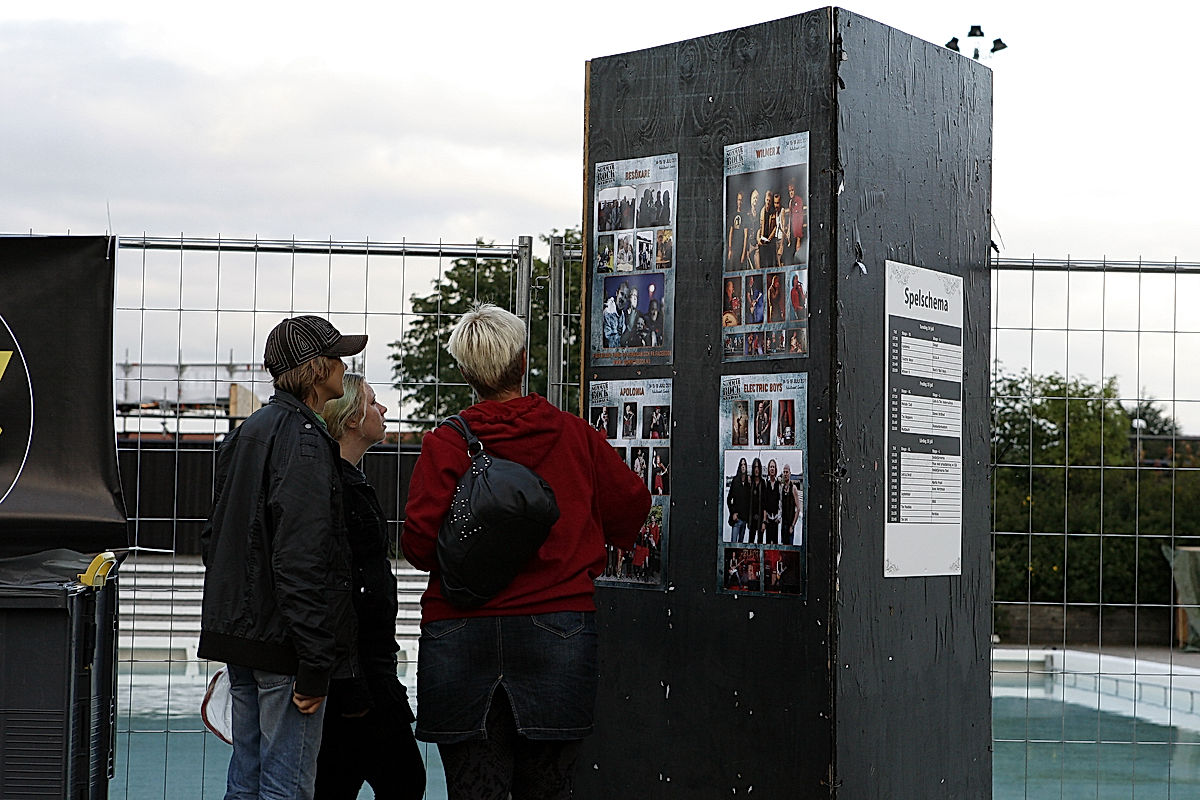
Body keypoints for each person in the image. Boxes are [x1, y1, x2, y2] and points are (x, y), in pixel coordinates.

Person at [401, 303, 651, 800]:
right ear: (521, 362)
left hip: (459, 631)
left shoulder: (446, 444)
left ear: (468, 373)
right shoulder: (574, 435)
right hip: (559, 628)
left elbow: (419, 546)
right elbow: (633, 506)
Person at [199, 315, 367, 800]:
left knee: (246, 779)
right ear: (315, 369)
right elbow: (302, 558)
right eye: (336, 356)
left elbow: (214, 540)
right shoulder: (306, 442)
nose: (343, 364)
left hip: (241, 637)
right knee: (285, 787)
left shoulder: (250, 430)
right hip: (284, 644)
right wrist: (317, 662)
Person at [316, 375, 426, 800]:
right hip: (360, 670)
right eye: (375, 404)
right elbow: (340, 588)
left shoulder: (347, 482)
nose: (384, 411)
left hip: (364, 666)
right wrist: (353, 682)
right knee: (403, 780)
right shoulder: (339, 488)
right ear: (350, 420)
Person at [726, 457, 751, 543]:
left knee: (740, 545)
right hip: (736, 519)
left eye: (744, 464)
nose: (743, 466)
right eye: (741, 465)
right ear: (739, 467)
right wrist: (732, 513)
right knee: (733, 543)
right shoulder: (735, 481)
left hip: (744, 520)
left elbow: (749, 500)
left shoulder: (748, 482)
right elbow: (729, 499)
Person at [780, 464, 802, 547]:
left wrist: (792, 525)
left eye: (787, 472)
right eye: (784, 472)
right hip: (783, 524)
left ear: (790, 473)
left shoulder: (794, 488)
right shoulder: (782, 488)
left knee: (790, 548)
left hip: (790, 525)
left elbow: (798, 509)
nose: (785, 474)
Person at [763, 459, 781, 545]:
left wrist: (779, 516)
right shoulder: (766, 484)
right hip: (768, 519)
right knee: (767, 543)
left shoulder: (779, 483)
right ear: (768, 469)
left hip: (776, 518)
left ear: (776, 469)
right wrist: (765, 518)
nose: (772, 468)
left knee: (775, 543)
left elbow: (780, 501)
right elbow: (764, 502)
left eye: (773, 467)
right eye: (771, 467)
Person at [748, 457, 765, 544]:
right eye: (755, 467)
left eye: (758, 467)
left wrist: (764, 522)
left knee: (760, 542)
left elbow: (765, 504)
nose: (756, 469)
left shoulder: (763, 482)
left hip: (760, 519)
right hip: (752, 519)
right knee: (750, 541)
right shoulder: (750, 482)